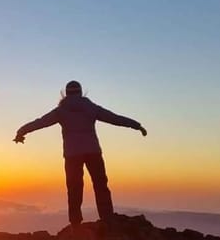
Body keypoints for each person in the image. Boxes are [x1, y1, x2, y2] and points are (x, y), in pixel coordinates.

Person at [14, 80, 147, 225]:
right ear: (80, 91)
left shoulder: (60, 111)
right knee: (100, 184)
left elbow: (39, 122)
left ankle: (75, 223)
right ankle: (107, 217)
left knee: (74, 187)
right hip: (93, 151)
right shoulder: (91, 108)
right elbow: (114, 118)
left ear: (66, 93)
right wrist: (137, 125)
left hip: (72, 155)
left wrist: (21, 132)